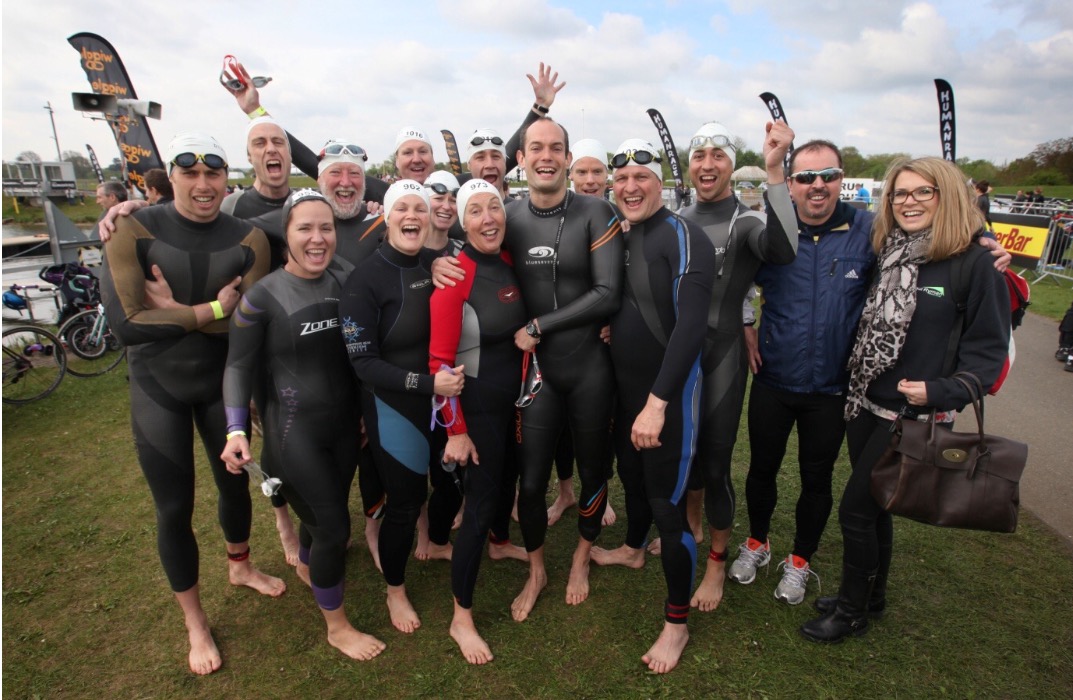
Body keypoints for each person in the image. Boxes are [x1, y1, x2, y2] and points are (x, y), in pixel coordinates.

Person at [800, 156, 1010, 643]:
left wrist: (940, 390)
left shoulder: (975, 264)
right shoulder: (891, 249)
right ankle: (871, 596)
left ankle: (851, 611)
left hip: (912, 415)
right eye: (900, 194)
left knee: (856, 510)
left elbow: (989, 354)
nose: (908, 202)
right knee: (877, 507)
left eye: (922, 192)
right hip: (864, 403)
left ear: (948, 197)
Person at [99, 133, 282, 675]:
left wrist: (176, 312)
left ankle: (241, 565)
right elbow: (128, 326)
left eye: (213, 174)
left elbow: (251, 326)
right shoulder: (133, 227)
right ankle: (195, 622)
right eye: (190, 174)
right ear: (169, 176)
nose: (203, 186)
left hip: (219, 383)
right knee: (174, 506)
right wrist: (208, 310)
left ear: (228, 177)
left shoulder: (249, 235)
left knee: (234, 484)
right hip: (159, 387)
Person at [635, 121, 797, 615]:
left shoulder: (744, 221)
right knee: (683, 449)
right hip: (678, 352)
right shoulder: (677, 218)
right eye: (699, 155)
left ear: (731, 164)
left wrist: (774, 172)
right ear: (689, 165)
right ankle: (692, 521)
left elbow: (785, 251)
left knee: (716, 457)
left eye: (718, 156)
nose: (707, 164)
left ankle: (716, 563)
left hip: (723, 353)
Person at [220, 189, 384, 661]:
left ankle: (310, 564)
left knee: (319, 523)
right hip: (294, 434)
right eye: (305, 228)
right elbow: (235, 368)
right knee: (334, 528)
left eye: (326, 228)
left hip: (344, 429)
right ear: (286, 235)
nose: (318, 238)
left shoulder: (347, 279)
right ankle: (337, 628)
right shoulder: (261, 298)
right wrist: (235, 430)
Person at [743, 140, 875, 606]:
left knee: (816, 479)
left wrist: (982, 243)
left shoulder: (869, 229)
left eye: (829, 175)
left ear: (842, 180)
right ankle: (757, 542)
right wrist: (745, 325)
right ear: (791, 184)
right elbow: (735, 278)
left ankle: (800, 561)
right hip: (774, 379)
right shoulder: (772, 229)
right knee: (761, 469)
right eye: (805, 177)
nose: (818, 186)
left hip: (832, 388)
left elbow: (930, 244)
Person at [604, 138, 715, 673]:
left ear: (661, 183)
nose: (630, 187)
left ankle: (676, 624)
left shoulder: (684, 235)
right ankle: (630, 548)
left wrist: (657, 404)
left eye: (641, 178)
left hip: (667, 396)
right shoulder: (622, 235)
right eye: (621, 178)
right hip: (627, 392)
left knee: (668, 507)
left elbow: (691, 326)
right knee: (633, 478)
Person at [339, 180, 465, 635]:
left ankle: (434, 542)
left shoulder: (433, 263)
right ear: (386, 218)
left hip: (438, 401)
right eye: (402, 209)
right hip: (395, 406)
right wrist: (428, 383)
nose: (412, 216)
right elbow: (363, 362)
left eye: (420, 208)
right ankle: (395, 589)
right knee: (406, 503)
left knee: (452, 483)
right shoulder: (364, 281)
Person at [428, 179, 527, 664]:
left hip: (516, 403)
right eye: (476, 211)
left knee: (508, 482)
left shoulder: (508, 261)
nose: (488, 218)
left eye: (495, 207)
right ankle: (460, 617)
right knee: (481, 502)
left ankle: (501, 544)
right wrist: (456, 430)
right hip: (479, 409)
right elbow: (438, 364)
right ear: (462, 222)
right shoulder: (454, 276)